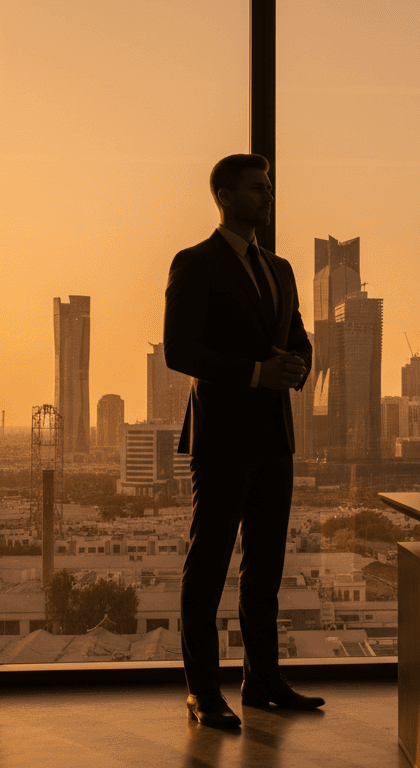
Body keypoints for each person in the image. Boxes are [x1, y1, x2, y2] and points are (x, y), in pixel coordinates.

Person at [163, 153, 319, 729]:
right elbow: (180, 350)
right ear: (224, 196)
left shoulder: (280, 269)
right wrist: (257, 372)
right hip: (223, 436)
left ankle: (263, 682)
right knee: (207, 566)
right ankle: (203, 691)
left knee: (266, 568)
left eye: (270, 186)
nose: (267, 195)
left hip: (275, 435)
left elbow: (299, 338)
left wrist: (299, 366)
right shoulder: (196, 263)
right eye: (257, 187)